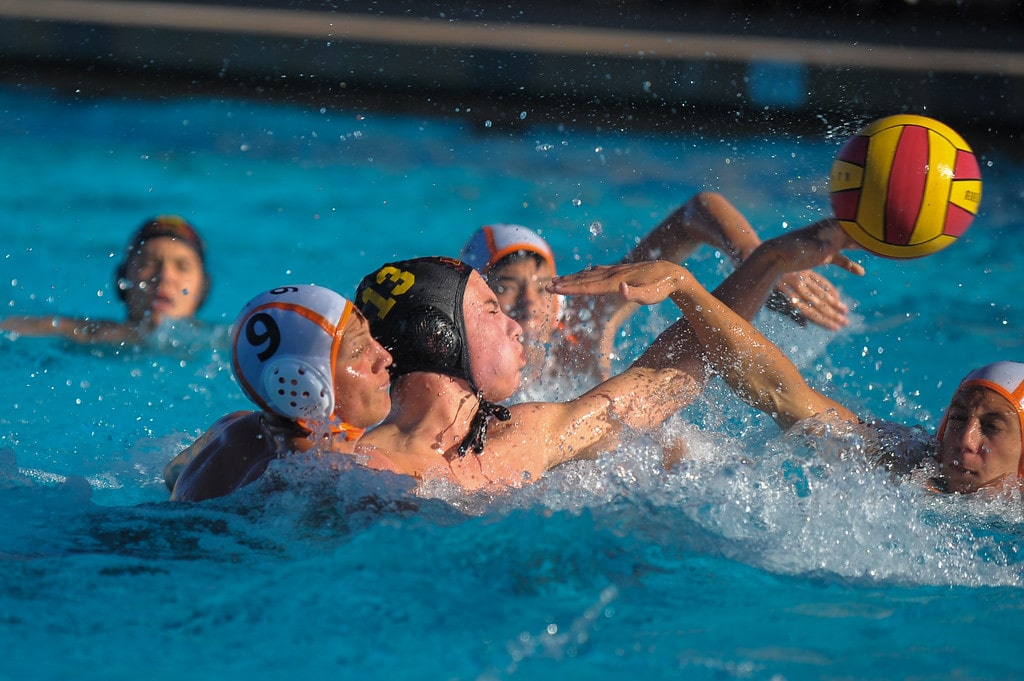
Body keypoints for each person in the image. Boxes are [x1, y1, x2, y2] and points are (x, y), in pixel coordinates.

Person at [352, 221, 860, 492]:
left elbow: (661, 382)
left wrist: (763, 262)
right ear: (444, 338)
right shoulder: (355, 472)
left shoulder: (525, 438)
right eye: (492, 306)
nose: (517, 320)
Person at [547, 224, 1023, 495]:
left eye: (993, 427)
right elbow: (779, 389)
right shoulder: (900, 457)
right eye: (959, 418)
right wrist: (687, 287)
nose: (965, 438)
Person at [459, 192, 852, 391]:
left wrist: (753, 257)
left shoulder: (584, 327)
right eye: (506, 288)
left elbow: (696, 211)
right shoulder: (455, 370)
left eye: (543, 285)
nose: (530, 303)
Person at [165, 284, 394, 502]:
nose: (384, 357)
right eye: (358, 351)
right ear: (302, 384)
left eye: (371, 338)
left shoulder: (229, 428)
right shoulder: (320, 483)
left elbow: (170, 475)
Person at [1, 215, 211, 344]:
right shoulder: (87, 334)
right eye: (148, 263)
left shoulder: (224, 344)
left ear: (203, 288)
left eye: (182, 266)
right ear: (122, 279)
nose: (165, 276)